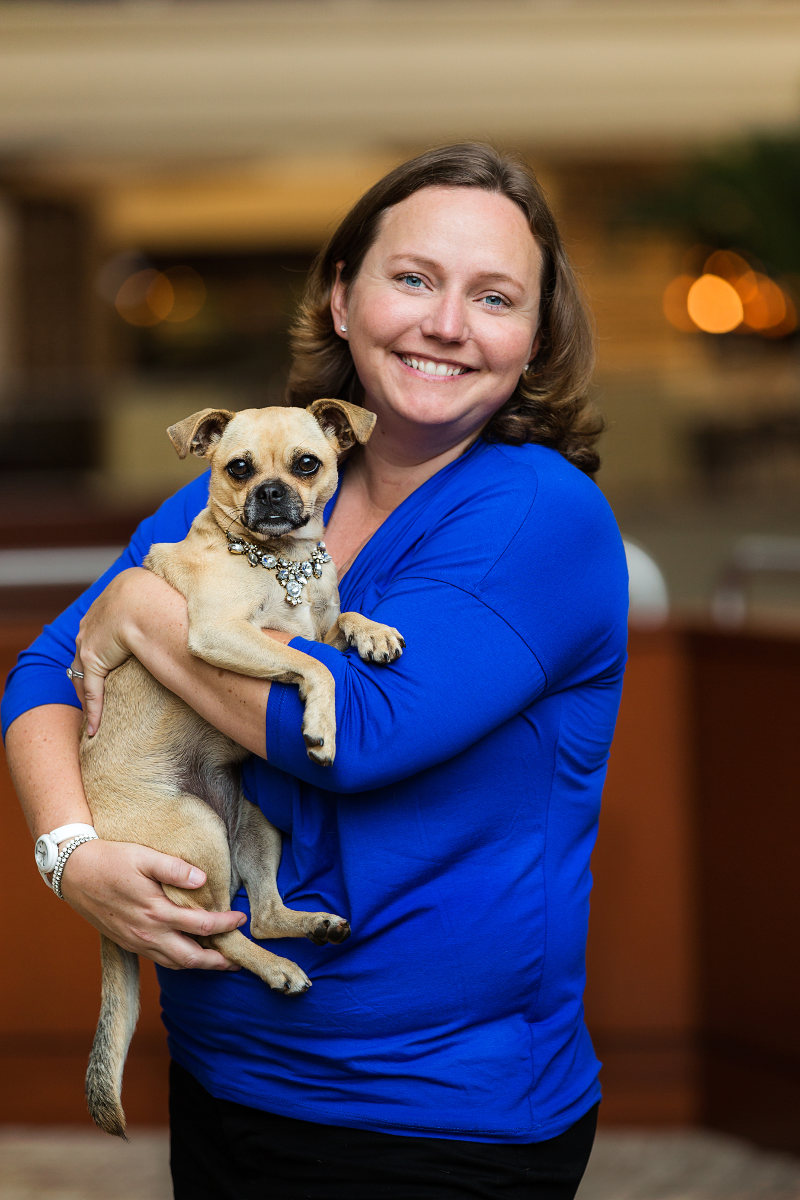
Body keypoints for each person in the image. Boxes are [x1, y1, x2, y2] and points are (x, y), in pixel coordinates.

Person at [2, 143, 628, 1199]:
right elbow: (43, 673)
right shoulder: (258, 470)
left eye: (493, 297)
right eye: (413, 278)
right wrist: (69, 852)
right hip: (225, 1072)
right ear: (341, 299)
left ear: (532, 338)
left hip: (431, 1116)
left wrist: (142, 607)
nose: (444, 323)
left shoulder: (538, 513)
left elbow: (362, 736)